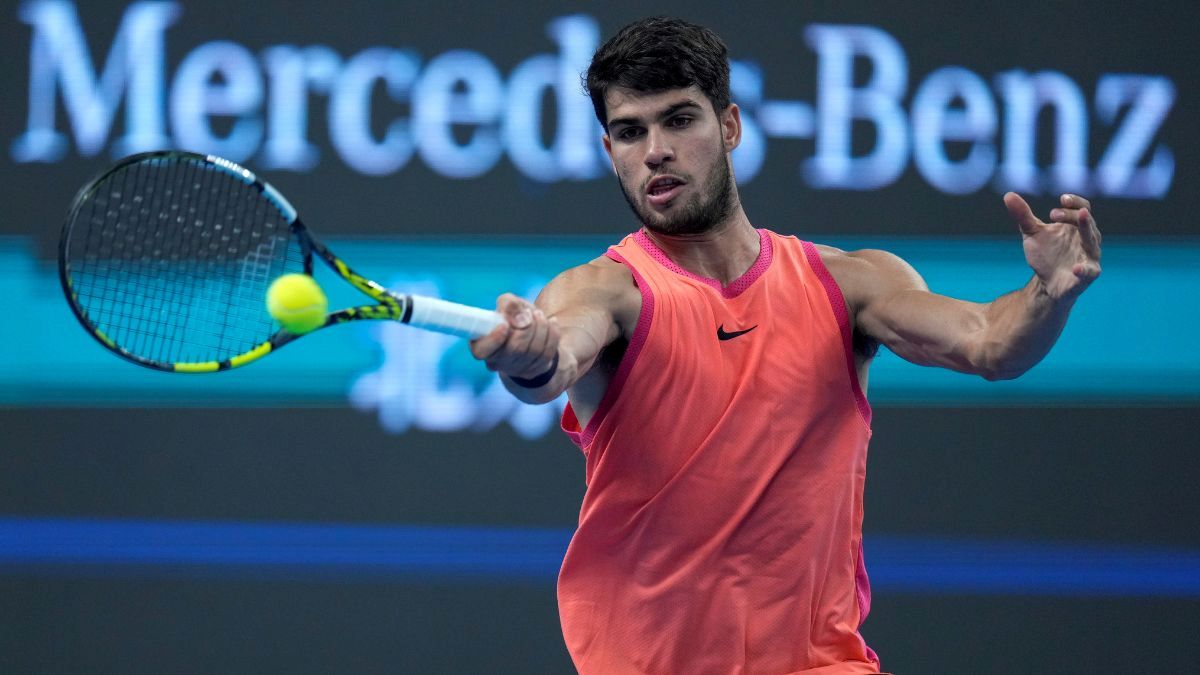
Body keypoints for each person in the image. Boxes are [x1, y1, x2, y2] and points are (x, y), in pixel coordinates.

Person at [470, 16, 1101, 675]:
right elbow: (556, 356)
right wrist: (530, 355)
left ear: (730, 127)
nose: (655, 151)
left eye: (679, 120)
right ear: (610, 150)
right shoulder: (605, 290)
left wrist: (1049, 292)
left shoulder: (850, 282)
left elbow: (992, 343)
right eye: (630, 132)